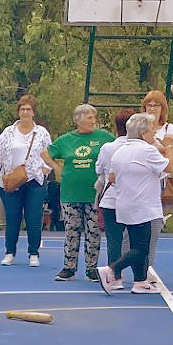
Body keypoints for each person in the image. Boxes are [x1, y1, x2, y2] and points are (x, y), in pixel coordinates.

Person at [94, 112, 169, 293]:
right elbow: (168, 167)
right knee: (141, 248)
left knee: (132, 243)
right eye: (152, 130)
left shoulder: (119, 152)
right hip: (142, 205)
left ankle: (140, 281)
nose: (154, 134)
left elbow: (111, 177)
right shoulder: (148, 150)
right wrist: (170, 149)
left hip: (123, 202)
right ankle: (112, 269)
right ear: (143, 133)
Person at [45, 105, 113, 281]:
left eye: (94, 117)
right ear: (78, 120)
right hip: (70, 192)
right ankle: (69, 267)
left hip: (93, 193)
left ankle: (91, 268)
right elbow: (45, 153)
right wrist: (57, 168)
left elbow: (118, 149)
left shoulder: (104, 137)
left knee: (93, 231)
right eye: (89, 117)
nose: (93, 121)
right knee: (71, 230)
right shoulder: (66, 139)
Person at [0, 94, 51, 266]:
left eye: (28, 109)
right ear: (18, 112)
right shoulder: (8, 132)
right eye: (22, 109)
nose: (25, 112)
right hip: (11, 180)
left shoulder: (41, 133)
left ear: (33, 112)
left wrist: (46, 168)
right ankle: (9, 252)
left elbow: (50, 153)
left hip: (34, 180)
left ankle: (33, 253)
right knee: (12, 217)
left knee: (33, 217)